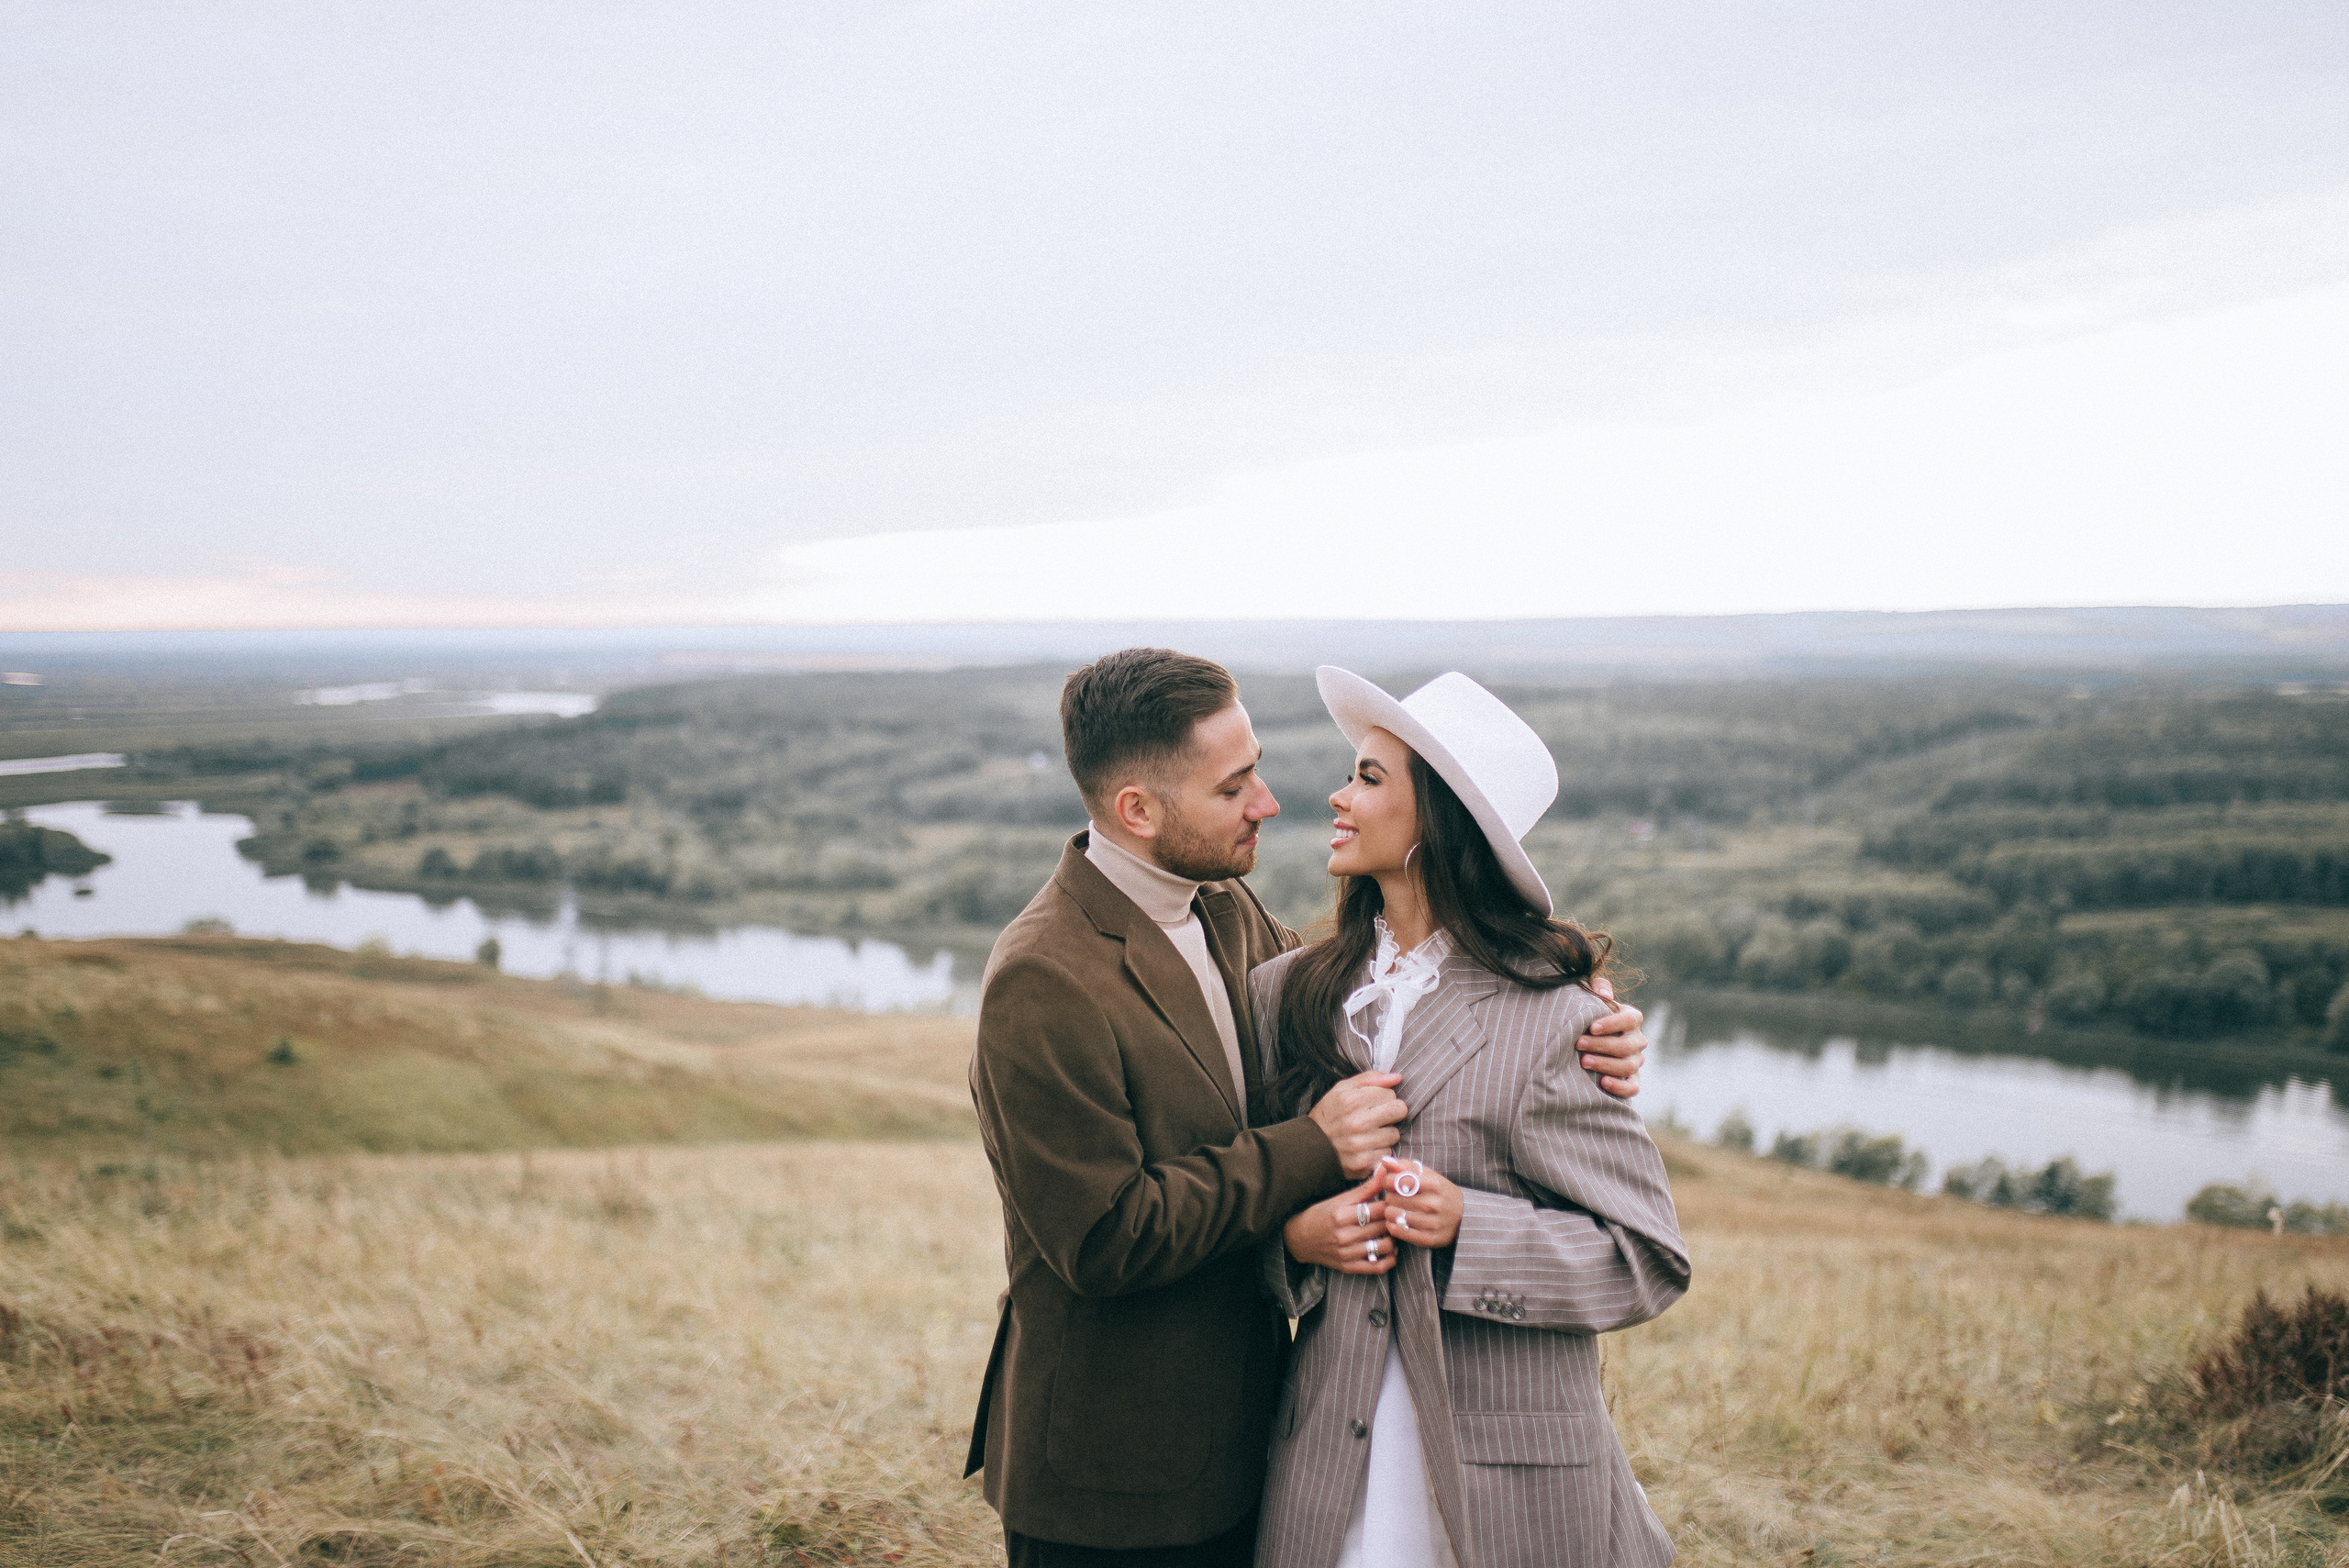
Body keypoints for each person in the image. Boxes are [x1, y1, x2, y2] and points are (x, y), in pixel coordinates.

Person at [966, 649, 1654, 1567]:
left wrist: (1572, 996)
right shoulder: (1043, 976)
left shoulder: (1226, 913)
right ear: (1138, 809)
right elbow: (1103, 1237)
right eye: (1235, 784)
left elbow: (1407, 987)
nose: (1271, 800)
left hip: (1257, 1450)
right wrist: (1309, 1153)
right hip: (1112, 1469)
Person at [1252, 668, 1689, 1568]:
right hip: (1326, 1463)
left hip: (1512, 1483)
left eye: (1370, 778)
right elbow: (1240, 1201)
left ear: (1438, 819)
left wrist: (1466, 1228)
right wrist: (1295, 1238)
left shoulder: (1557, 1015)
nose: (1337, 794)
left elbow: (1648, 1259)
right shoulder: (1283, 993)